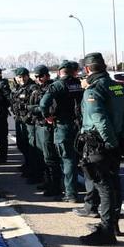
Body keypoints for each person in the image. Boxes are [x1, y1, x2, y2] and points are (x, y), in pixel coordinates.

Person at [76, 52, 124, 245]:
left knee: (104, 187)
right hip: (114, 142)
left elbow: (100, 120)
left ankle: (107, 231)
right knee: (114, 184)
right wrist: (121, 142)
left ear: (87, 69)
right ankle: (112, 224)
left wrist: (110, 143)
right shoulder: (117, 87)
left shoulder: (92, 90)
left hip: (99, 144)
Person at [41, 61, 84, 202]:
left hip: (63, 126)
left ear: (60, 72)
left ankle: (70, 193)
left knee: (67, 160)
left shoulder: (58, 85)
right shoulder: (79, 84)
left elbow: (43, 104)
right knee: (77, 159)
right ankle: (77, 188)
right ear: (73, 72)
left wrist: (47, 117)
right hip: (79, 126)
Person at [28, 65, 60, 198]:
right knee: (42, 156)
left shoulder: (52, 88)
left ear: (47, 76)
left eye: (41, 76)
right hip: (39, 125)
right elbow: (30, 105)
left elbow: (49, 108)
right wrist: (34, 108)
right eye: (36, 76)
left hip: (48, 127)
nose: (38, 79)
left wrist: (35, 109)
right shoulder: (37, 89)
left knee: (50, 158)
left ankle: (55, 186)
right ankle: (47, 181)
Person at [11, 67, 41, 183]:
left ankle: (35, 172)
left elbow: (35, 105)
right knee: (22, 144)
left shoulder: (32, 88)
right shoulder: (18, 88)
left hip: (29, 121)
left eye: (24, 76)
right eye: (19, 77)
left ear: (28, 76)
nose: (22, 78)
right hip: (19, 120)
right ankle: (28, 165)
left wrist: (28, 116)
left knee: (31, 147)